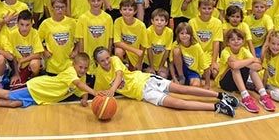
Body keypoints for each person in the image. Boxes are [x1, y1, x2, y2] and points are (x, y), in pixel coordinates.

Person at [93, 47, 237, 116]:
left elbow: (119, 75)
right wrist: (98, 102)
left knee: (183, 89)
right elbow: (98, 91)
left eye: (107, 58)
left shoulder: (115, 60)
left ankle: (220, 96)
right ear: (97, 62)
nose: (106, 62)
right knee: (179, 104)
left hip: (146, 79)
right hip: (144, 93)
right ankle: (218, 106)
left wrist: (112, 90)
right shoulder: (99, 74)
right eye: (102, 61)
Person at [0, 53, 97, 110]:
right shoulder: (71, 72)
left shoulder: (82, 77)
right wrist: (95, 93)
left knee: (14, 104)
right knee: (8, 95)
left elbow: (81, 89)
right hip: (37, 87)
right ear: (74, 65)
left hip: (41, 97)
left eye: (85, 68)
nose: (83, 70)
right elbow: (79, 85)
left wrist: (84, 98)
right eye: (81, 67)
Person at [217, 28, 275, 113]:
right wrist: (251, 60)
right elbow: (234, 65)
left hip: (239, 82)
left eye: (239, 39)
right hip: (225, 83)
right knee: (235, 69)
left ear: (243, 41)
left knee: (252, 70)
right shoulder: (225, 51)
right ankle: (245, 98)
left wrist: (243, 63)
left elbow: (258, 66)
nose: (236, 41)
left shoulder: (244, 50)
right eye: (232, 39)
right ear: (228, 42)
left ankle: (264, 95)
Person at [76, 0, 113, 77]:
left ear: (103, 0)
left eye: (98, 0)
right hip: (88, 56)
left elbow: (110, 39)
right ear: (88, 1)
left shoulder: (108, 18)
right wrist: (82, 58)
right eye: (93, 1)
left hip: (102, 59)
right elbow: (81, 40)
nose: (96, 3)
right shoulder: (83, 18)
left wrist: (108, 55)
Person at [38, 0, 79, 75]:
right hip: (52, 65)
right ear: (52, 8)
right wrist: (44, 51)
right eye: (57, 7)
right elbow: (37, 40)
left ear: (66, 8)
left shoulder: (72, 22)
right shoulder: (46, 23)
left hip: (68, 64)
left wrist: (76, 51)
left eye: (62, 7)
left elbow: (79, 39)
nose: (60, 10)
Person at [189, 0, 223, 87]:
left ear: (213, 9)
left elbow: (216, 43)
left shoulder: (217, 23)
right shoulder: (192, 22)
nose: (206, 11)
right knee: (205, 74)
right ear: (199, 9)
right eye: (204, 8)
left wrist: (214, 61)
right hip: (196, 54)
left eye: (209, 8)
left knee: (215, 72)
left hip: (210, 54)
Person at [8, 10, 44, 86]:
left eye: (27, 25)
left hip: (30, 64)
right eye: (22, 24)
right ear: (17, 24)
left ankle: (34, 78)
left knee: (35, 63)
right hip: (17, 66)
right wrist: (16, 74)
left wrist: (22, 60)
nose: (24, 28)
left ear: (32, 24)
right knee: (14, 85)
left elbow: (38, 54)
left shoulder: (35, 33)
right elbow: (12, 56)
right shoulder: (12, 34)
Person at [112, 0, 148, 71]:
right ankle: (122, 69)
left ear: (135, 11)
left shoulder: (141, 25)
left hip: (136, 55)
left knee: (135, 72)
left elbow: (143, 46)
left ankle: (131, 67)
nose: (127, 12)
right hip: (126, 51)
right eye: (124, 9)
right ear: (120, 11)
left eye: (130, 10)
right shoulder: (118, 21)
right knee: (118, 52)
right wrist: (135, 50)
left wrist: (139, 63)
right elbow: (116, 42)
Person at [170, 22, 209, 87]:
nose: (184, 35)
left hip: (193, 71)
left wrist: (207, 84)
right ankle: (181, 77)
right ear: (178, 35)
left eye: (187, 33)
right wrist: (174, 78)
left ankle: (188, 81)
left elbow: (206, 67)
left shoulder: (196, 46)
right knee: (176, 51)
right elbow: (171, 63)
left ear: (191, 35)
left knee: (195, 85)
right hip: (180, 69)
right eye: (182, 33)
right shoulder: (175, 44)